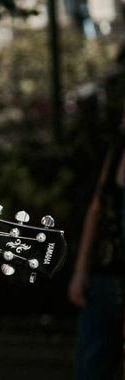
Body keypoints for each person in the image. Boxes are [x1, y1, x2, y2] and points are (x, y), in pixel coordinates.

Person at [69, 123, 125, 380]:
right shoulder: (117, 151)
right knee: (89, 368)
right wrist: (81, 271)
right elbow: (97, 210)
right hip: (103, 278)